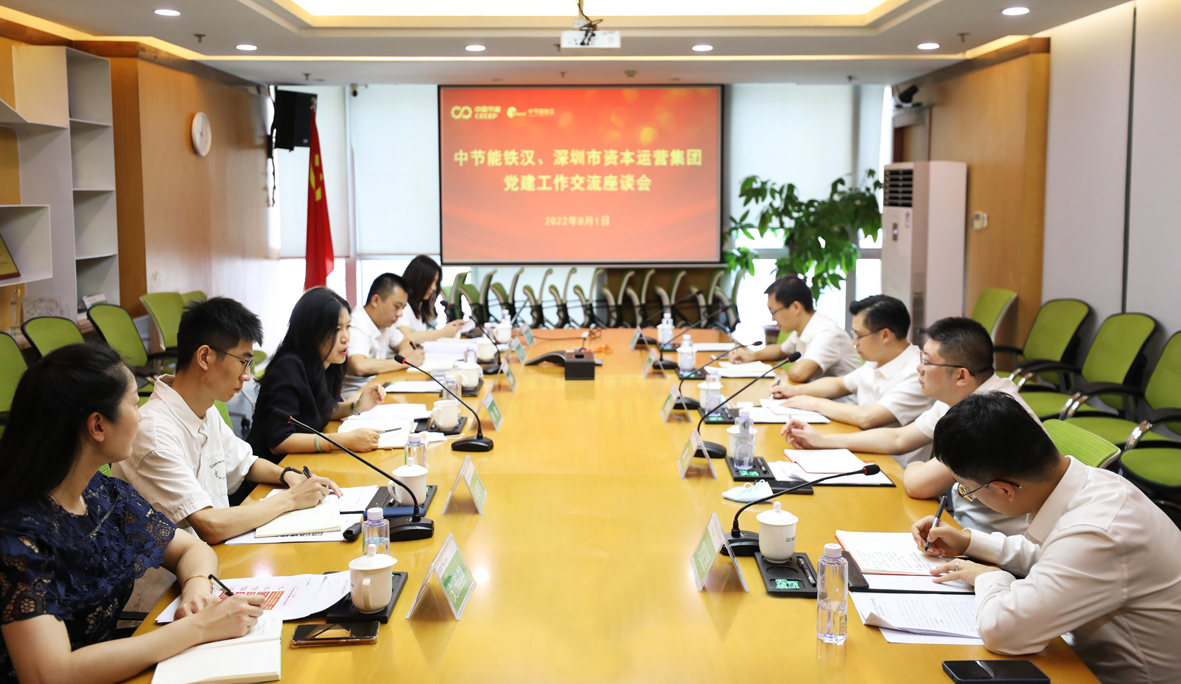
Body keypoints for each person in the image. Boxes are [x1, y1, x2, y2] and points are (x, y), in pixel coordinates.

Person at [0, 344, 265, 684]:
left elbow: (191, 549)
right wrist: (197, 628)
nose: (140, 416)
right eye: (133, 404)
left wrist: (197, 590)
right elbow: (51, 674)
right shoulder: (18, 536)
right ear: (98, 426)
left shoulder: (100, 493)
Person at [913, 392, 1181, 684]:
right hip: (1083, 656)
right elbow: (1055, 557)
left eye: (968, 490)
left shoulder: (1097, 533)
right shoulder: (1096, 483)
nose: (969, 496)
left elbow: (1002, 632)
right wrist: (968, 542)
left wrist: (990, 577)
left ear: (1004, 490)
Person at [112, 297, 342, 545]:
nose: (247, 376)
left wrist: (288, 475)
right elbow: (209, 525)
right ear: (205, 357)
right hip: (182, 567)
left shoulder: (206, 408)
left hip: (219, 551)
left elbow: (245, 463)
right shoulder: (154, 432)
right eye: (243, 362)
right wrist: (292, 499)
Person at [784, 317, 1038, 535]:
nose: (919, 368)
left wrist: (915, 464)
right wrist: (823, 441)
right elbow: (899, 439)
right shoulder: (966, 396)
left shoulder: (988, 417)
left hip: (1001, 548)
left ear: (961, 375)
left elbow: (918, 485)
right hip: (967, 532)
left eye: (927, 362)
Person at [247, 287, 386, 462]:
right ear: (311, 331)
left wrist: (356, 407)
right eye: (336, 329)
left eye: (348, 327)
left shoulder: (325, 363)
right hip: (275, 469)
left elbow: (321, 409)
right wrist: (343, 441)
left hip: (305, 460)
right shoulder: (288, 368)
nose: (346, 338)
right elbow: (279, 441)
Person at [768, 294, 932, 430]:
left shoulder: (917, 373)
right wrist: (795, 391)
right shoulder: (877, 360)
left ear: (885, 335)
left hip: (886, 458)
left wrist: (813, 403)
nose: (854, 342)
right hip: (858, 442)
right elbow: (839, 384)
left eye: (859, 336)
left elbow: (867, 418)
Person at [729, 275, 860, 384]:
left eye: (774, 312)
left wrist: (785, 371)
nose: (773, 319)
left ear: (796, 307)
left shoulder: (827, 333)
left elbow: (799, 374)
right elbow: (781, 350)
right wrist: (751, 355)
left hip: (839, 406)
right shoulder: (804, 327)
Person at [344, 273, 425, 394]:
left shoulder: (385, 324)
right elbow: (359, 365)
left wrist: (404, 355)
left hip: (380, 387)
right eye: (397, 307)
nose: (400, 314)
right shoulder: (357, 323)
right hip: (357, 394)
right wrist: (405, 362)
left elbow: (405, 342)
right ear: (376, 301)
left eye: (402, 308)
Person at [396, 255, 466, 345]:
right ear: (417, 279)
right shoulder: (402, 307)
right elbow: (407, 337)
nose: (434, 288)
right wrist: (443, 332)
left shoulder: (419, 306)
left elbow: (420, 337)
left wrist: (448, 330)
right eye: (430, 282)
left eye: (436, 283)